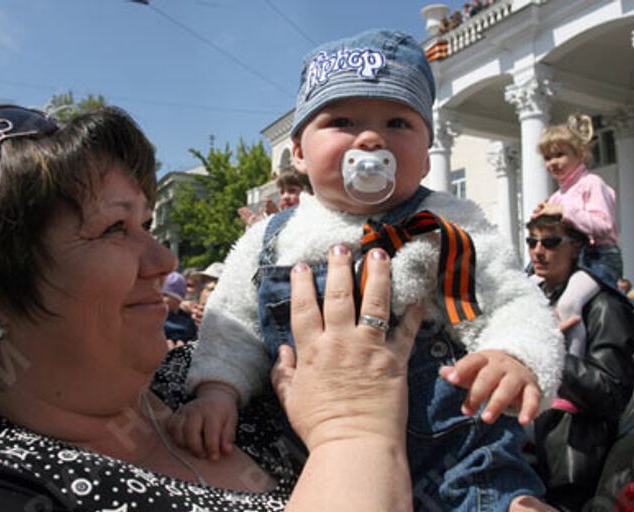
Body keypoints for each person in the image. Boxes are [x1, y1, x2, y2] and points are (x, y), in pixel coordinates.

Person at [0, 104, 426, 511]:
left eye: (148, 225)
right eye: (113, 228)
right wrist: (354, 435)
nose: (162, 259)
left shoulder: (219, 377)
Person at [176, 29, 564, 510]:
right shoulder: (273, 238)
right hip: (314, 455)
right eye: (341, 120)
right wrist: (218, 389)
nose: (371, 139)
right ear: (298, 152)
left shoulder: (453, 224)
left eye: (399, 123)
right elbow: (231, 323)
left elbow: (513, 299)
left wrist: (515, 353)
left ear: (425, 156)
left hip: (461, 455)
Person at [525, 214, 634, 511]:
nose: (537, 250)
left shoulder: (605, 305)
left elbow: (611, 394)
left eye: (550, 241)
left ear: (576, 247)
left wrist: (552, 351)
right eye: (532, 241)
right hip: (528, 457)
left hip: (574, 470)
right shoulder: (532, 300)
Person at [533, 114, 622, 359]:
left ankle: (573, 366)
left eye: (560, 154)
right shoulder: (557, 195)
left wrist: (564, 212)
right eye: (548, 157)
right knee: (527, 291)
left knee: (568, 305)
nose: (553, 162)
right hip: (569, 259)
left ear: (580, 154)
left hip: (598, 257)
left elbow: (603, 225)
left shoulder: (592, 184)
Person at [163, 271, 198, 344]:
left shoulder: (189, 320)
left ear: (178, 300)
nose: (159, 299)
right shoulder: (152, 316)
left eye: (165, 295)